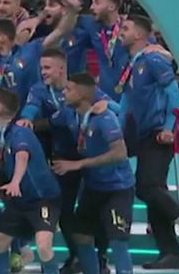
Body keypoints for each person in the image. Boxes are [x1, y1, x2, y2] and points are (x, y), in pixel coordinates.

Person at [16, 49, 115, 273]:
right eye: (41, 68)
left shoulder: (79, 88)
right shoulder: (39, 89)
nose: (43, 72)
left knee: (98, 208)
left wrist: (106, 107)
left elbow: (113, 107)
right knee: (65, 210)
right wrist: (26, 119)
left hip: (92, 156)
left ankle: (100, 256)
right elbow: (32, 108)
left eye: (47, 68)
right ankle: (77, 256)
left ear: (61, 68)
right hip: (63, 158)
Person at [117, 15, 179, 269]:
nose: (121, 32)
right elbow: (125, 103)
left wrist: (169, 127)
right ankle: (170, 252)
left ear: (139, 34)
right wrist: (117, 132)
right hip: (143, 134)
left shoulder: (153, 59)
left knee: (147, 187)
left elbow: (173, 93)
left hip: (159, 132)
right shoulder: (132, 64)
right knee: (153, 191)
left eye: (126, 28)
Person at [51, 73, 135, 274]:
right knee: (81, 234)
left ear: (81, 94)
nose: (63, 93)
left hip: (117, 188)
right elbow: (47, 121)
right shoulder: (70, 114)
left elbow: (120, 153)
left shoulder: (105, 118)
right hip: (93, 187)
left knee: (118, 240)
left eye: (68, 89)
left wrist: (79, 164)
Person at [0, 88, 61, 274]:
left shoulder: (20, 132)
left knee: (43, 246)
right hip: (21, 201)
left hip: (43, 199)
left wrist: (15, 182)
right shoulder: (2, 134)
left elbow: (22, 155)